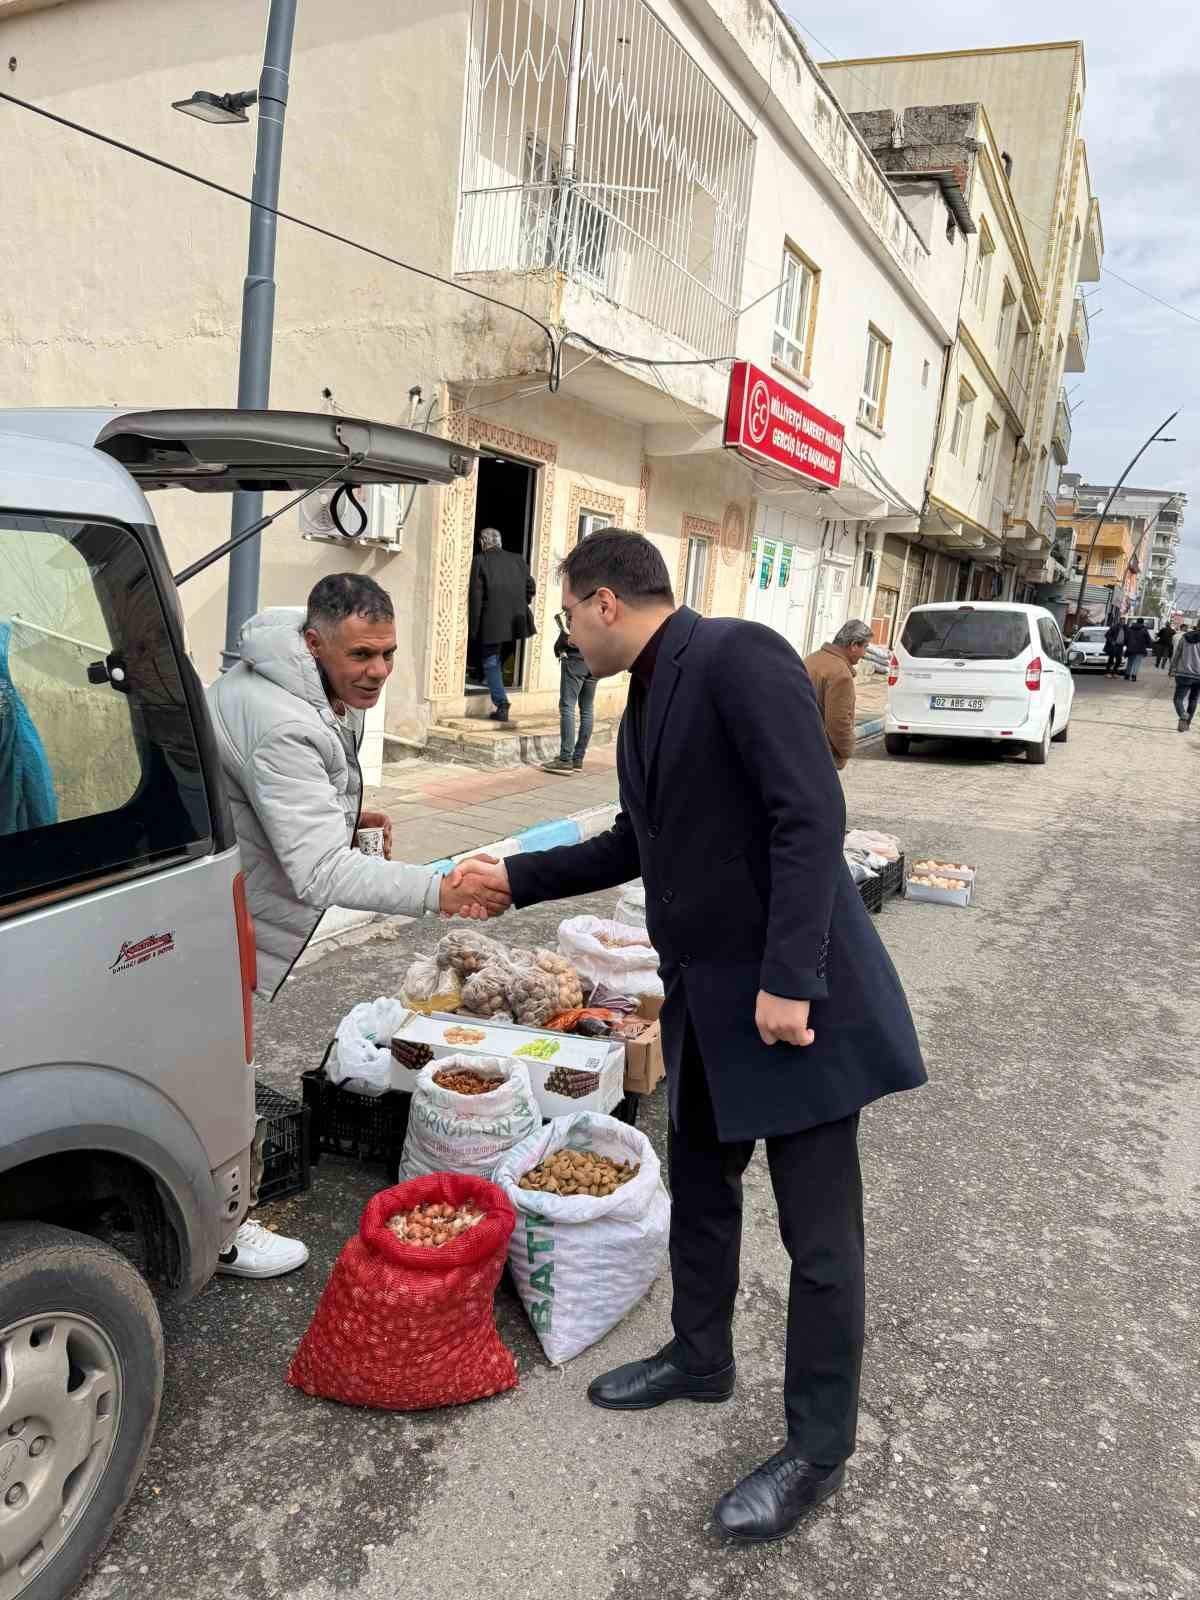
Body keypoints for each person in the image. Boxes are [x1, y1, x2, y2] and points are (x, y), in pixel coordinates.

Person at [452, 532, 925, 1543]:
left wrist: (792, 979)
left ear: (607, 600)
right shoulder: (649, 694)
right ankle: (699, 1357)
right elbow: (639, 838)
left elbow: (810, 814)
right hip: (707, 1000)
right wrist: (513, 876)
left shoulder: (737, 655)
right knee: (702, 1187)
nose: (567, 634)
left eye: (571, 614)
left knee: (821, 1238)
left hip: (790, 1009)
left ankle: (817, 1446)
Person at [207, 574, 504, 1278]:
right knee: (218, 1075)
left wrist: (348, 815)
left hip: (224, 904)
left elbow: (281, 803)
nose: (377, 673)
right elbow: (318, 872)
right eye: (362, 656)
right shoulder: (282, 720)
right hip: (216, 922)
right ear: (314, 642)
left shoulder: (296, 682)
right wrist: (444, 891)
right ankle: (224, 1233)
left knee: (214, 1065)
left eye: (389, 654)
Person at [468, 527, 536, 723]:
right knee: (502, 654)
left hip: (492, 620)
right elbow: (530, 586)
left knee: (490, 659)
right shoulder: (517, 559)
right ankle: (495, 687)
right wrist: (521, 603)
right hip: (517, 618)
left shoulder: (480, 560)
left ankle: (502, 704)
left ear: (482, 542)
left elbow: (476, 596)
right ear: (499, 542)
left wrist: (473, 628)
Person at [802, 620, 873, 771]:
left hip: (799, 744)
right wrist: (847, 750)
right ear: (854, 645)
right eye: (865, 647)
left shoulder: (811, 659)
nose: (864, 654)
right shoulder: (841, 674)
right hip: (820, 755)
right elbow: (838, 721)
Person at [543, 609, 597, 775]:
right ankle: (578, 759)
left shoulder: (580, 599)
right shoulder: (602, 605)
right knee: (587, 710)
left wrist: (560, 648)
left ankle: (565, 758)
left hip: (575, 658)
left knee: (567, 707)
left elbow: (569, 632)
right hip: (595, 659)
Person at [1170, 620, 1200, 731]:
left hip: (1183, 674)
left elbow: (1177, 653)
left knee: (1178, 699)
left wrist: (1172, 668)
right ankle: (1186, 724)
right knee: (1193, 699)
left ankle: (1183, 714)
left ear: (1197, 626)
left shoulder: (1185, 637)